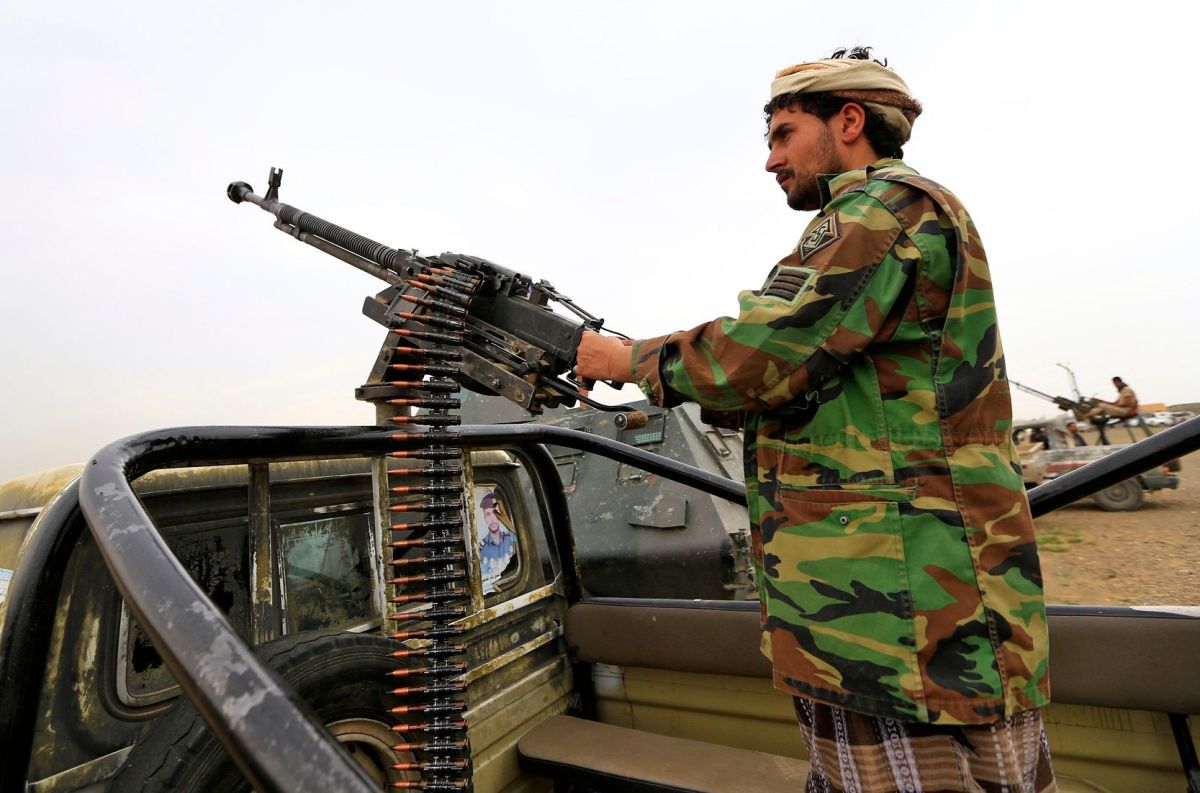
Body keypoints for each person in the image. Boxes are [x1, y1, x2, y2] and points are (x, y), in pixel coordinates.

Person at [576, 47, 1055, 792]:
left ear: (850, 121)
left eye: (784, 134)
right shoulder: (878, 216)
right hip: (880, 587)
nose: (771, 159)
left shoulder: (882, 211)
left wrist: (624, 358)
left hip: (906, 599)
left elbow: (763, 353)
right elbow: (793, 385)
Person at [477, 490, 517, 593]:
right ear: (484, 518)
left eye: (495, 512)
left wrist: (506, 521)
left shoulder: (511, 538)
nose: (492, 518)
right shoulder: (482, 550)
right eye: (488, 514)